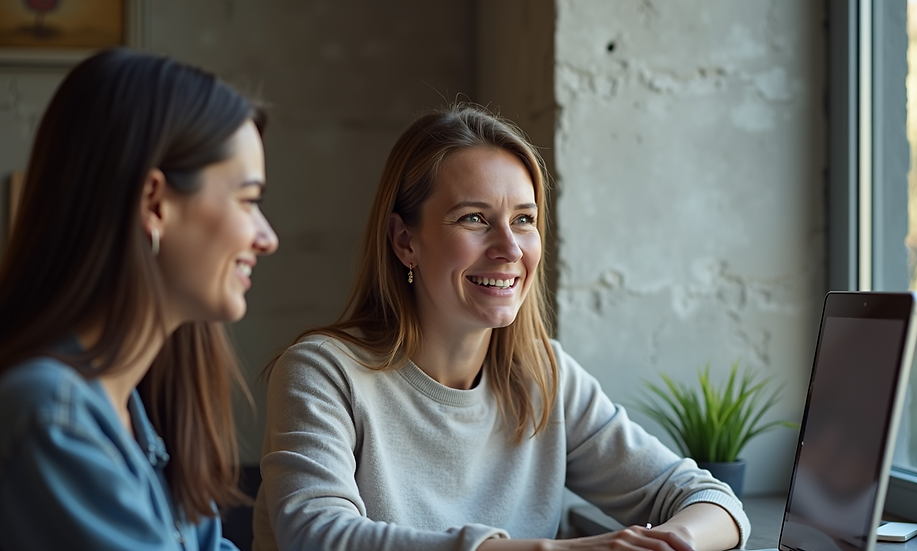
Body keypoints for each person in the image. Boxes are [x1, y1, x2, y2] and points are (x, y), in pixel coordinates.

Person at [253, 104, 749, 551]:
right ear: (405, 240)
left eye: (524, 219)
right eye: (474, 218)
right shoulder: (321, 372)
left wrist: (674, 542)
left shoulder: (545, 374)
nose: (510, 249)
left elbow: (710, 501)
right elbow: (315, 535)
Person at [0, 48, 279, 550]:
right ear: (154, 204)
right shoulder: (50, 417)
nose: (267, 236)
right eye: (248, 201)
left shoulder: (136, 413)